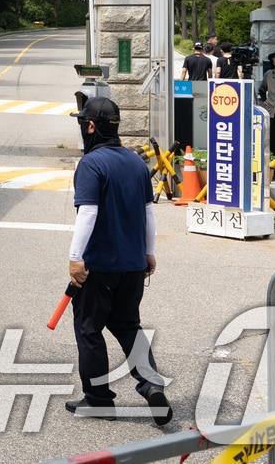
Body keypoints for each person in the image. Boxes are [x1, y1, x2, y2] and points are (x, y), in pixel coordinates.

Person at [64, 96, 171, 425]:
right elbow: (148, 213)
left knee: (88, 329)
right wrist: (148, 251)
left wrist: (74, 258)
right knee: (127, 325)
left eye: (83, 123)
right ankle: (150, 382)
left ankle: (98, 400)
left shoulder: (92, 164)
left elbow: (89, 213)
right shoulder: (136, 162)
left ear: (91, 127)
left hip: (100, 266)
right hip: (133, 265)